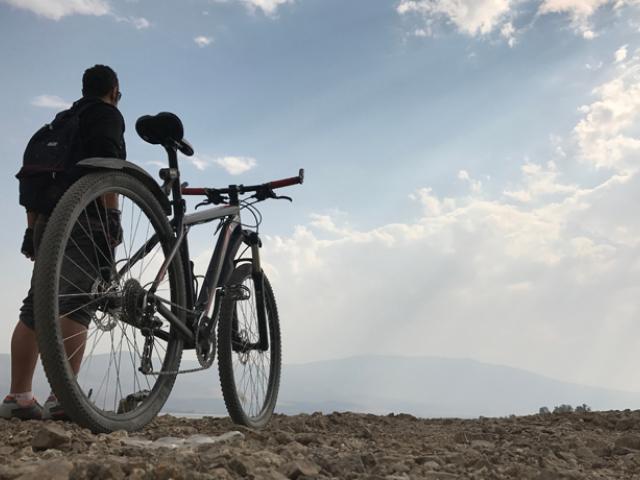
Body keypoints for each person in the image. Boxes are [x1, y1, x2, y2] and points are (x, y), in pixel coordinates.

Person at [0, 65, 126, 420]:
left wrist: (32, 230)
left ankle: (19, 397)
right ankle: (63, 397)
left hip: (44, 220)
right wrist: (111, 220)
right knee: (76, 303)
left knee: (37, 305)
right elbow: (108, 169)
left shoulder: (57, 124)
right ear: (114, 90)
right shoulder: (106, 115)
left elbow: (32, 182)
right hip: (83, 218)